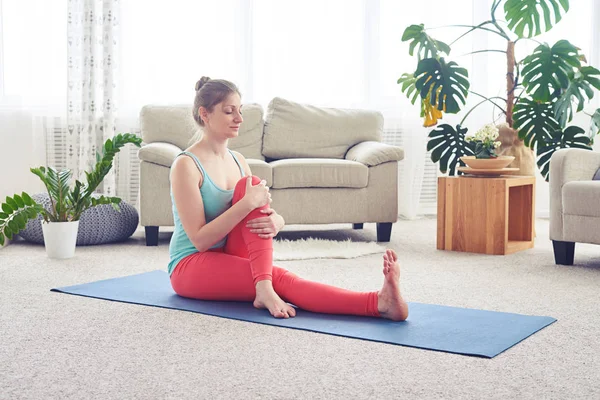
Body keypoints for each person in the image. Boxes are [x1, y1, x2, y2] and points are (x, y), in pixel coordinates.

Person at [168, 76, 409, 321]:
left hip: (230, 254)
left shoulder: (238, 161)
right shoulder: (186, 165)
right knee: (279, 279)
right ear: (205, 114)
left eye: (240, 111)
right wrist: (248, 203)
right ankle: (377, 303)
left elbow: (252, 216)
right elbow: (200, 240)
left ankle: (264, 285)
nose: (239, 119)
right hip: (191, 264)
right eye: (229, 111)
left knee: (250, 185)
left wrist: (278, 221)